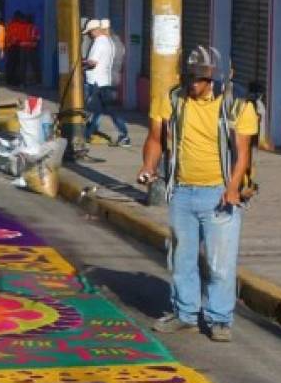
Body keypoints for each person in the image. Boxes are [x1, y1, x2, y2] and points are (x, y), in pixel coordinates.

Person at [138, 45, 258, 343]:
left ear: (217, 78)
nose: (194, 84)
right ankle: (185, 314)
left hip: (219, 193)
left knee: (220, 263)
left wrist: (232, 189)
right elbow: (155, 138)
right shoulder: (171, 98)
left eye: (202, 79)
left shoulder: (238, 104)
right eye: (190, 77)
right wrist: (148, 166)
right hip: (181, 191)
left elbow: (243, 155)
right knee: (180, 258)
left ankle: (219, 319)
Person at [83, 18, 129, 147]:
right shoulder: (110, 42)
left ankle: (87, 133)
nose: (89, 35)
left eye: (89, 32)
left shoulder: (99, 42)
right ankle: (89, 133)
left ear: (95, 30)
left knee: (93, 109)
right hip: (105, 80)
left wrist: (82, 63)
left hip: (96, 81)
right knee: (101, 110)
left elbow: (93, 62)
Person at [20, 14, 41, 86]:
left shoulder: (22, 27)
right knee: (35, 65)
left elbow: (19, 38)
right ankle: (38, 81)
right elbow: (38, 38)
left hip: (23, 48)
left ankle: (22, 82)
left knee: (23, 66)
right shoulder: (34, 27)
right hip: (32, 48)